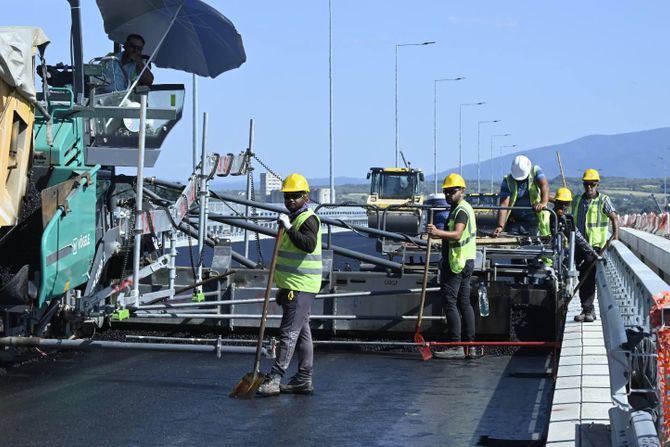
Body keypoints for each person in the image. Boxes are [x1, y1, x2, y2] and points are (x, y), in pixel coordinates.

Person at [257, 173, 322, 396]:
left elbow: (308, 245)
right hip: (294, 286)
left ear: (306, 197)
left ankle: (275, 377)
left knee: (289, 333)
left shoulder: (308, 219)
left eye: (295, 196)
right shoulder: (294, 218)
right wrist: (283, 288)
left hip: (301, 286)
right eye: (287, 196)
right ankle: (303, 378)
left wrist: (289, 227)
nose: (290, 200)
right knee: (302, 333)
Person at [426, 173, 478, 359]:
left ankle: (456, 345)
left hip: (457, 263)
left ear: (462, 191)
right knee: (464, 302)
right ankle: (470, 346)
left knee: (450, 301)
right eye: (446, 192)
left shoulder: (461, 211)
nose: (449, 195)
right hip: (466, 260)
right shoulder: (461, 208)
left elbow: (457, 234)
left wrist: (436, 232)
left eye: (452, 191)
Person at [571, 169, 619, 322]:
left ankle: (588, 310)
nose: (589, 188)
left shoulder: (603, 200)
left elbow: (613, 217)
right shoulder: (578, 200)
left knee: (588, 277)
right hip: (579, 246)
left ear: (597, 185)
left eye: (592, 185)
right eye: (586, 185)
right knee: (583, 277)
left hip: (594, 247)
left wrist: (615, 237)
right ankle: (587, 309)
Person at [492, 155, 550, 238]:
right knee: (513, 246)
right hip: (515, 220)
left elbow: (544, 185)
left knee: (535, 244)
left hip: (534, 219)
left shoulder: (535, 171)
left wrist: (543, 203)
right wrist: (500, 226)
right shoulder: (507, 181)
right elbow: (504, 205)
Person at [551, 187, 601, 266]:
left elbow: (579, 238)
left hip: (565, 259)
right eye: (561, 203)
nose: (563, 207)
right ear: (556, 202)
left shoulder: (568, 220)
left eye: (566, 204)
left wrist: (595, 254)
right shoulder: (548, 215)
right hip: (549, 257)